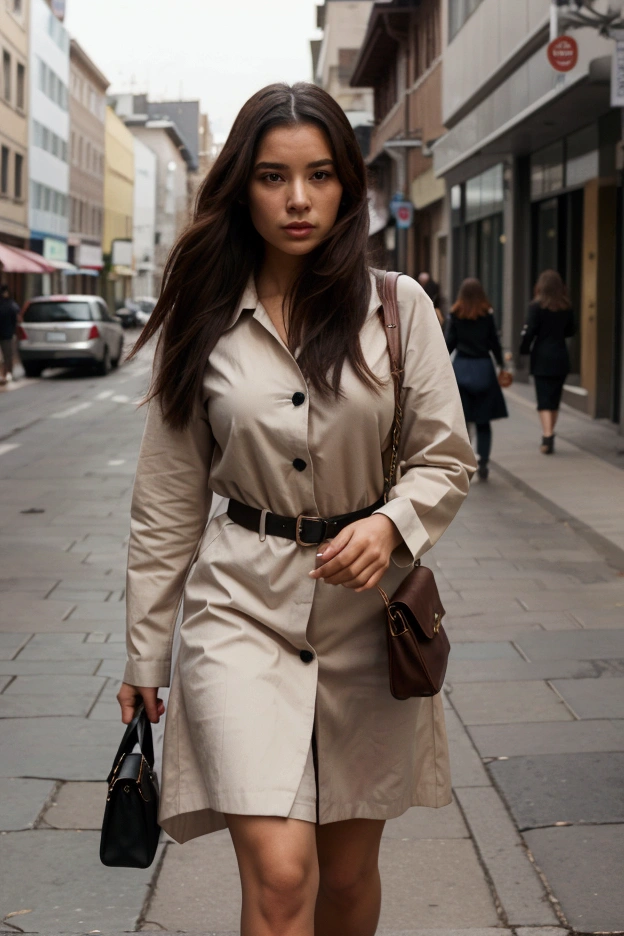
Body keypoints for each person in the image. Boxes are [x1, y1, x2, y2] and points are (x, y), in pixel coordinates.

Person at [116, 83, 476, 936]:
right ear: (243, 186)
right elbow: (167, 500)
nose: (299, 198)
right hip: (239, 609)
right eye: (274, 177)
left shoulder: (400, 308)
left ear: (348, 184)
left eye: (319, 175)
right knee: (283, 878)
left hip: (369, 616)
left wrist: (391, 522)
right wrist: (144, 655)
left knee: (349, 880)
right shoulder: (203, 318)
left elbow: (446, 457)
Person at [445, 278, 510, 481]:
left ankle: (465, 462)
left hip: (462, 369)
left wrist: (440, 366)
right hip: (484, 370)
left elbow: (449, 343)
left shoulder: (455, 315)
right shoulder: (486, 315)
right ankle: (483, 461)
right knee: (483, 421)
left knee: (463, 423)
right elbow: (494, 343)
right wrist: (502, 365)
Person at [520, 269, 575, 455]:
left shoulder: (536, 307)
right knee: (554, 398)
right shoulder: (566, 306)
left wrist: (524, 350)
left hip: (542, 356)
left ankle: (547, 434)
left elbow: (529, 332)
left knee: (543, 398)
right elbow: (571, 331)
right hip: (560, 355)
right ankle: (550, 432)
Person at [0, 284, 19, 385]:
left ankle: (3, 375)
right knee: (8, 356)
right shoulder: (10, 304)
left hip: (6, 333)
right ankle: (8, 374)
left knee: (3, 357)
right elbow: (16, 317)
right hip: (7, 334)